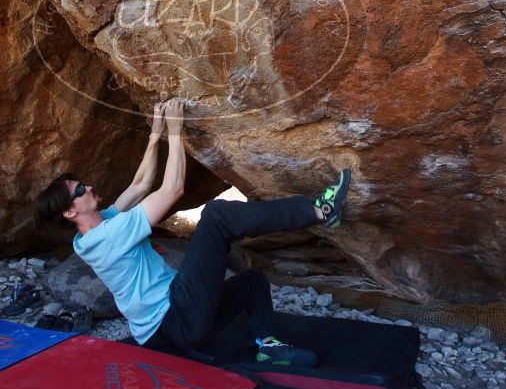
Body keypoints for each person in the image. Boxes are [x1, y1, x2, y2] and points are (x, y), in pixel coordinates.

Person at [37, 99, 351, 366]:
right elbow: (172, 189)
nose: (88, 186)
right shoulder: (108, 237)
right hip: (176, 319)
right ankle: (320, 210)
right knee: (216, 216)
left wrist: (155, 133)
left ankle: (269, 347)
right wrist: (176, 132)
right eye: (79, 189)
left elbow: (140, 185)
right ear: (70, 211)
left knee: (251, 282)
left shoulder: (88, 236)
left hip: (165, 334)